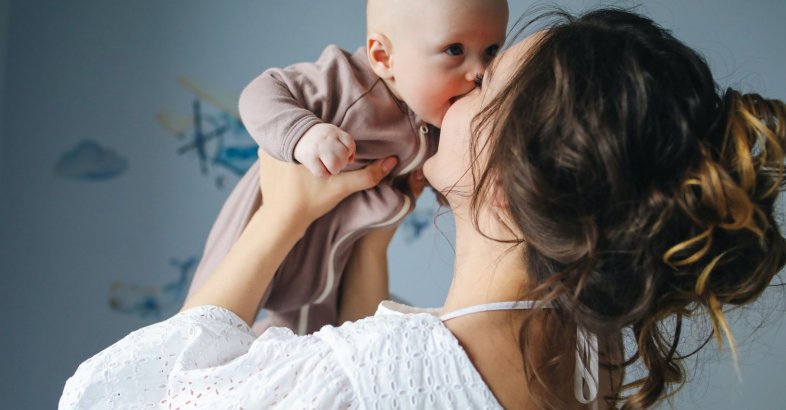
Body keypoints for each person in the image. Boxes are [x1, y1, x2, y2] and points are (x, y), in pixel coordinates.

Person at [60, 8, 786, 409]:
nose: (459, 87)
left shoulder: (367, 379)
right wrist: (369, 246)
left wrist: (279, 216)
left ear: (505, 182)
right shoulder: (585, 360)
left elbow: (129, 397)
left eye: (487, 79)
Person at [186, 0, 509, 335]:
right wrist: (303, 134)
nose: (479, 72)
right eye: (455, 49)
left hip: (337, 254)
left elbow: (456, 182)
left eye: (491, 51)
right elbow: (261, 92)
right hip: (268, 217)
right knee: (210, 323)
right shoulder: (346, 82)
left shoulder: (440, 120)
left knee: (309, 336)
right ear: (383, 57)